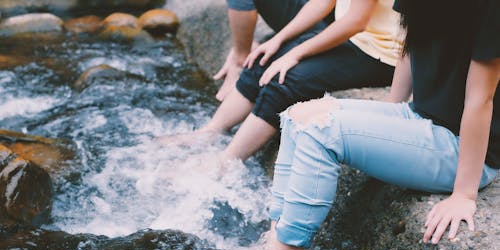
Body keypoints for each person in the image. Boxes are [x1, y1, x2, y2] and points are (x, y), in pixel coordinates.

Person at [220, 0, 500, 250]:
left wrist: (464, 194)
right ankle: (276, 235)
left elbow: (481, 100)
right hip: (420, 116)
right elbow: (409, 42)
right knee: (300, 114)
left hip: (458, 147)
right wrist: (392, 112)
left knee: (321, 131)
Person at [158, 0, 403, 162]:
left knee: (286, 80)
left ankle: (226, 161)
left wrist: (296, 52)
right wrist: (280, 40)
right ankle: (211, 131)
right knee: (265, 58)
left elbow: (355, 21)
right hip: (356, 38)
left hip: (382, 55)